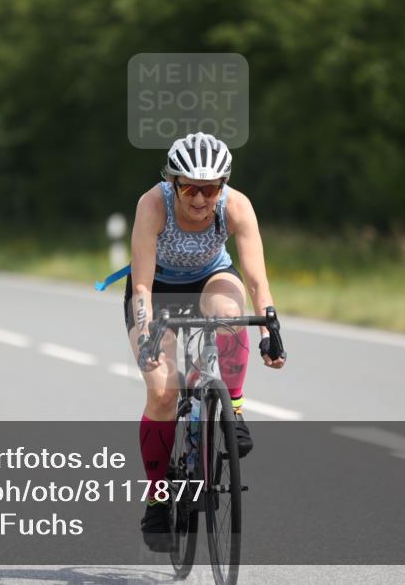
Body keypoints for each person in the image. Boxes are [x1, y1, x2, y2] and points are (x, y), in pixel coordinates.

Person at [124, 132, 287, 551]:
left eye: (210, 188)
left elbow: (256, 280)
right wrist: (145, 335)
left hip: (210, 278)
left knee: (231, 316)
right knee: (162, 392)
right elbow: (140, 284)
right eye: (191, 188)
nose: (200, 199)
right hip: (157, 289)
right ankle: (159, 497)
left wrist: (270, 328)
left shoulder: (235, 206)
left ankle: (231, 405)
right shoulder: (152, 204)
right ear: (174, 183)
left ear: (223, 185)